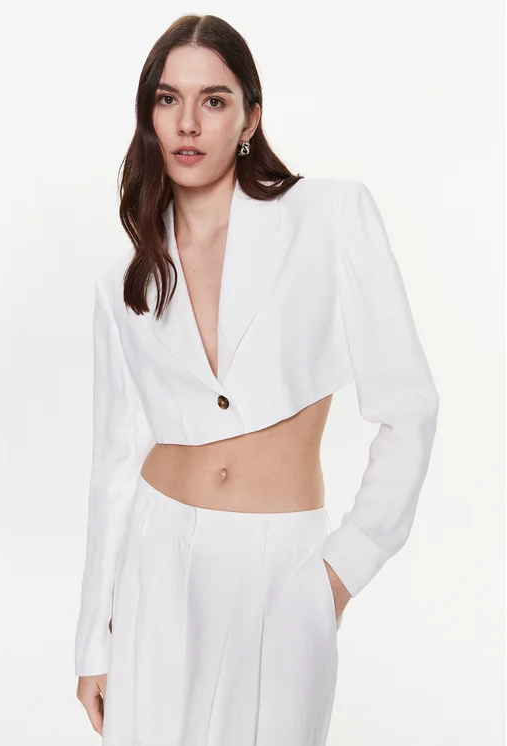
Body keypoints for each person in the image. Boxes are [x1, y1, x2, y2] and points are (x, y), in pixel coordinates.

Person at [74, 13, 439, 746]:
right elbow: (115, 462)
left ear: (250, 118)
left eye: (213, 100)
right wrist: (94, 640)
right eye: (168, 99)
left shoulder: (329, 217)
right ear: (149, 117)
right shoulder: (125, 283)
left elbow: (409, 408)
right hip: (154, 560)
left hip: (283, 566)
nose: (188, 122)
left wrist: (339, 572)